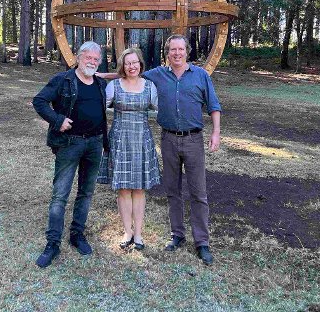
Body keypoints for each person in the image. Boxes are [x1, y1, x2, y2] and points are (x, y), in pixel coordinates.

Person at [97, 34, 221, 265]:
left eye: (180, 49)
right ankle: (177, 235)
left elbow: (214, 105)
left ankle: (202, 242)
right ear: (167, 52)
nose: (176, 53)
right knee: (172, 190)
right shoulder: (158, 75)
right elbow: (129, 72)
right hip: (168, 139)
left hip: (194, 139)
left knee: (198, 192)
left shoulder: (201, 76)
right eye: (172, 49)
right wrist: (102, 75)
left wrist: (216, 132)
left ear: (187, 51)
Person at [32, 41, 109, 268]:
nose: (92, 62)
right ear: (78, 57)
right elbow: (39, 101)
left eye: (96, 59)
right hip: (69, 144)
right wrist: (58, 120)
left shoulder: (100, 84)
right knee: (60, 195)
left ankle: (77, 235)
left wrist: (104, 143)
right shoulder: (63, 80)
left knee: (86, 193)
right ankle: (52, 243)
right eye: (89, 58)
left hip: (95, 145)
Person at [97, 48, 160, 250]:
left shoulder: (150, 86)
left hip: (142, 140)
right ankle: (127, 231)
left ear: (140, 64)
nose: (131, 66)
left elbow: (162, 108)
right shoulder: (113, 86)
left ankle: (139, 234)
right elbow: (98, 109)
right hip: (119, 139)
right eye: (127, 63)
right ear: (122, 66)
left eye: (134, 62)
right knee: (123, 189)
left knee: (139, 189)